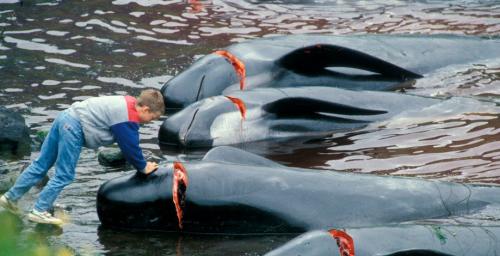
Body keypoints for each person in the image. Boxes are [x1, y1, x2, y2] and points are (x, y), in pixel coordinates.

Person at [0, 89, 164, 225]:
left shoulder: (128, 102)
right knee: (64, 175)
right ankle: (39, 210)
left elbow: (126, 140)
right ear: (145, 109)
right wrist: (143, 167)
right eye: (153, 118)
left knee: (41, 165)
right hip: (72, 127)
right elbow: (130, 148)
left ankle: (10, 198)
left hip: (65, 116)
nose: (150, 122)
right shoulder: (128, 117)